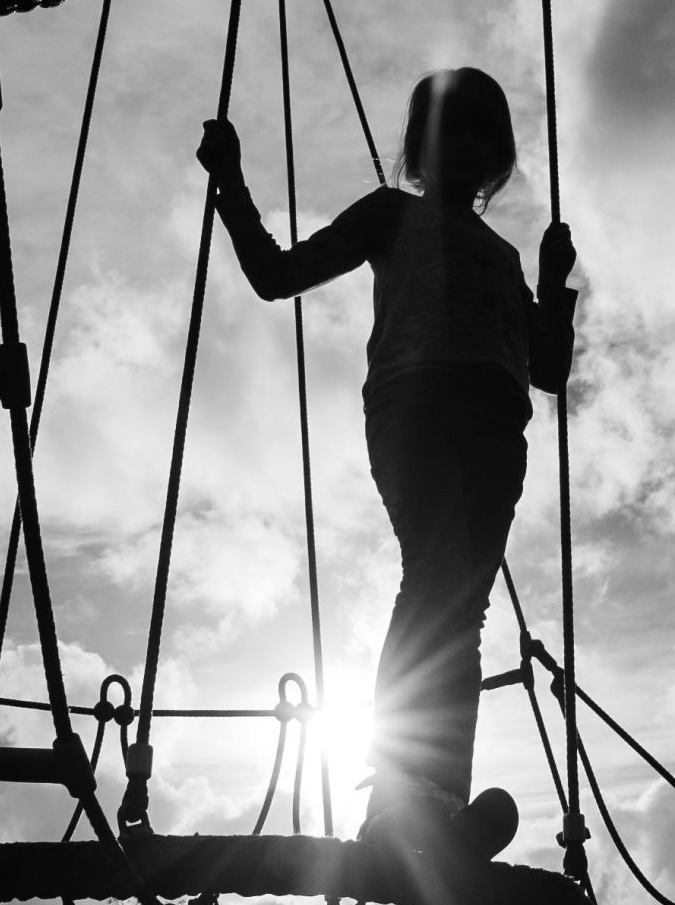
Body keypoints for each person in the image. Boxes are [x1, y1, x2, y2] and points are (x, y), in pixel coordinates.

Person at [197, 66, 577, 860]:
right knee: (436, 580)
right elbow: (277, 275)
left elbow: (546, 369)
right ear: (420, 149)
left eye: (482, 132)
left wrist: (548, 281)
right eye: (451, 131)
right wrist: (230, 182)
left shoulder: (505, 260)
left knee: (461, 613)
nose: (466, 146)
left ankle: (437, 803)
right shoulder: (389, 218)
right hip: (418, 406)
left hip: (497, 429)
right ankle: (401, 799)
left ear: (498, 153)